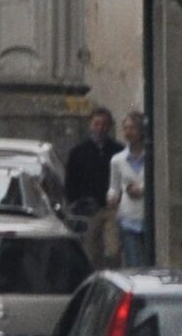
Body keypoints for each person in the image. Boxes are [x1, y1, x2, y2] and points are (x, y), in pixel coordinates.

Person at [62, 106, 116, 235]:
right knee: (90, 248)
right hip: (88, 209)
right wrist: (76, 203)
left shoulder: (117, 150)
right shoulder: (78, 152)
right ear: (90, 125)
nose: (100, 128)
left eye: (104, 124)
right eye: (96, 124)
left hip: (111, 208)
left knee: (113, 248)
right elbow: (71, 181)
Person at [108, 111, 149, 265]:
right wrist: (111, 197)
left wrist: (142, 189)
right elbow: (114, 186)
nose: (128, 132)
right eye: (125, 129)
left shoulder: (151, 157)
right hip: (128, 217)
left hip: (147, 215)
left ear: (141, 131)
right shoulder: (117, 160)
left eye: (132, 128)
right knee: (134, 262)